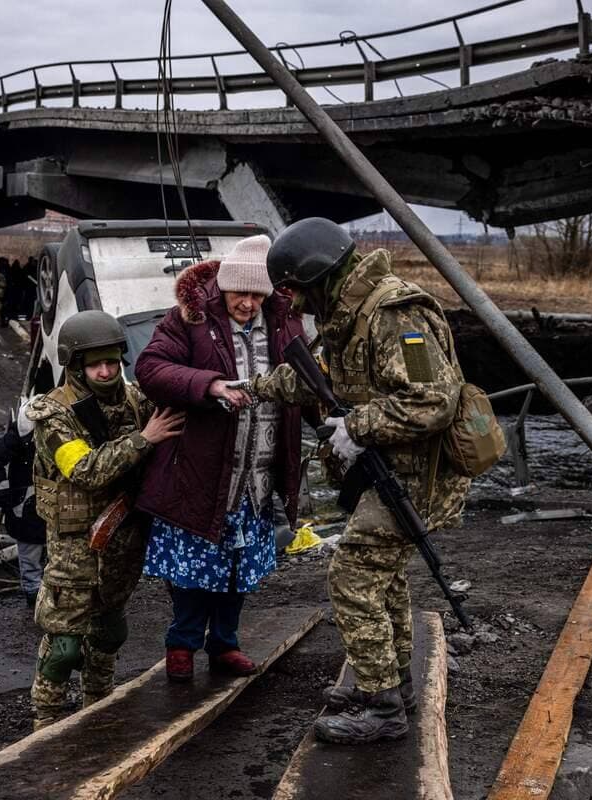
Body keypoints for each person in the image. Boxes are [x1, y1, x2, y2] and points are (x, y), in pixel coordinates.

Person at [249, 218, 470, 745]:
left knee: (351, 576)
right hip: (392, 469)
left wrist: (356, 425)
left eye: (296, 291)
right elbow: (316, 376)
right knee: (382, 577)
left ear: (318, 276)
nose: (295, 305)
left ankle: (383, 706)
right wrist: (250, 387)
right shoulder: (348, 316)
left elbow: (434, 400)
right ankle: (393, 687)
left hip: (419, 476)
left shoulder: (396, 315)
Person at [134, 234, 307, 681]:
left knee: (239, 567)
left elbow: (306, 377)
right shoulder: (189, 319)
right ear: (223, 287)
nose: (248, 303)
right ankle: (182, 644)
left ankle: (225, 643)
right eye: (240, 293)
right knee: (194, 568)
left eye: (257, 294)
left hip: (258, 474)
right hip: (202, 470)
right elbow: (151, 368)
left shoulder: (286, 322)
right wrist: (209, 385)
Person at [25, 310, 185, 728]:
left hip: (123, 540)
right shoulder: (53, 416)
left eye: (112, 361)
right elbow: (84, 471)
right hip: (75, 546)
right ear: (75, 365)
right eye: (95, 363)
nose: (106, 370)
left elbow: (175, 402)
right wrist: (144, 439)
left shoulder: (134, 399)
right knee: (63, 645)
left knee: (110, 632)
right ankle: (46, 722)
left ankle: (99, 708)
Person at [0, 398, 47, 609]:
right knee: (30, 556)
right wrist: (2, 491)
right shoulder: (22, 429)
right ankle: (34, 599)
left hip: (52, 502)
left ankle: (49, 599)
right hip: (26, 504)